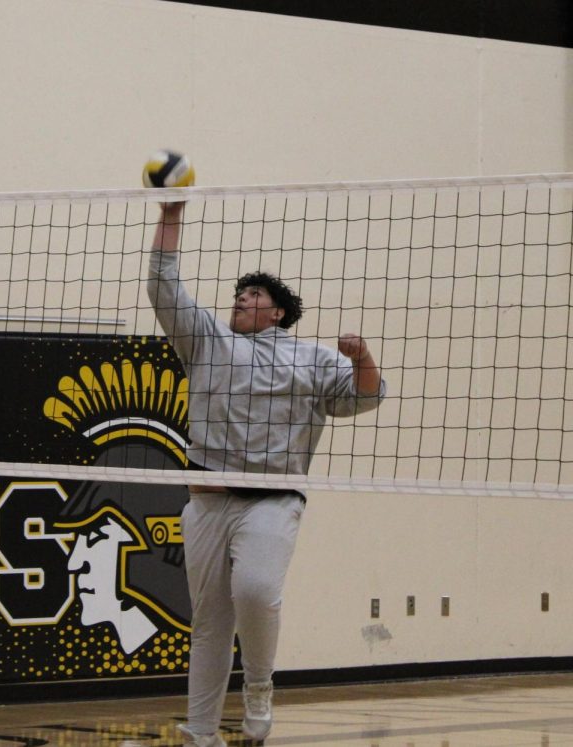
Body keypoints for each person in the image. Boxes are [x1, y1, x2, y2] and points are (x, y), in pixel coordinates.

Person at [147, 200, 385, 745]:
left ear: (277, 312)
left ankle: (258, 687)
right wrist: (171, 214)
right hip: (207, 500)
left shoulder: (313, 359)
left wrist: (363, 357)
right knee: (209, 623)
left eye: (252, 295)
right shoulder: (207, 340)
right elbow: (163, 285)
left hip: (272, 501)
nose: (240, 299)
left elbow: (367, 396)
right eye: (239, 294)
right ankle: (202, 731)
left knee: (255, 591)